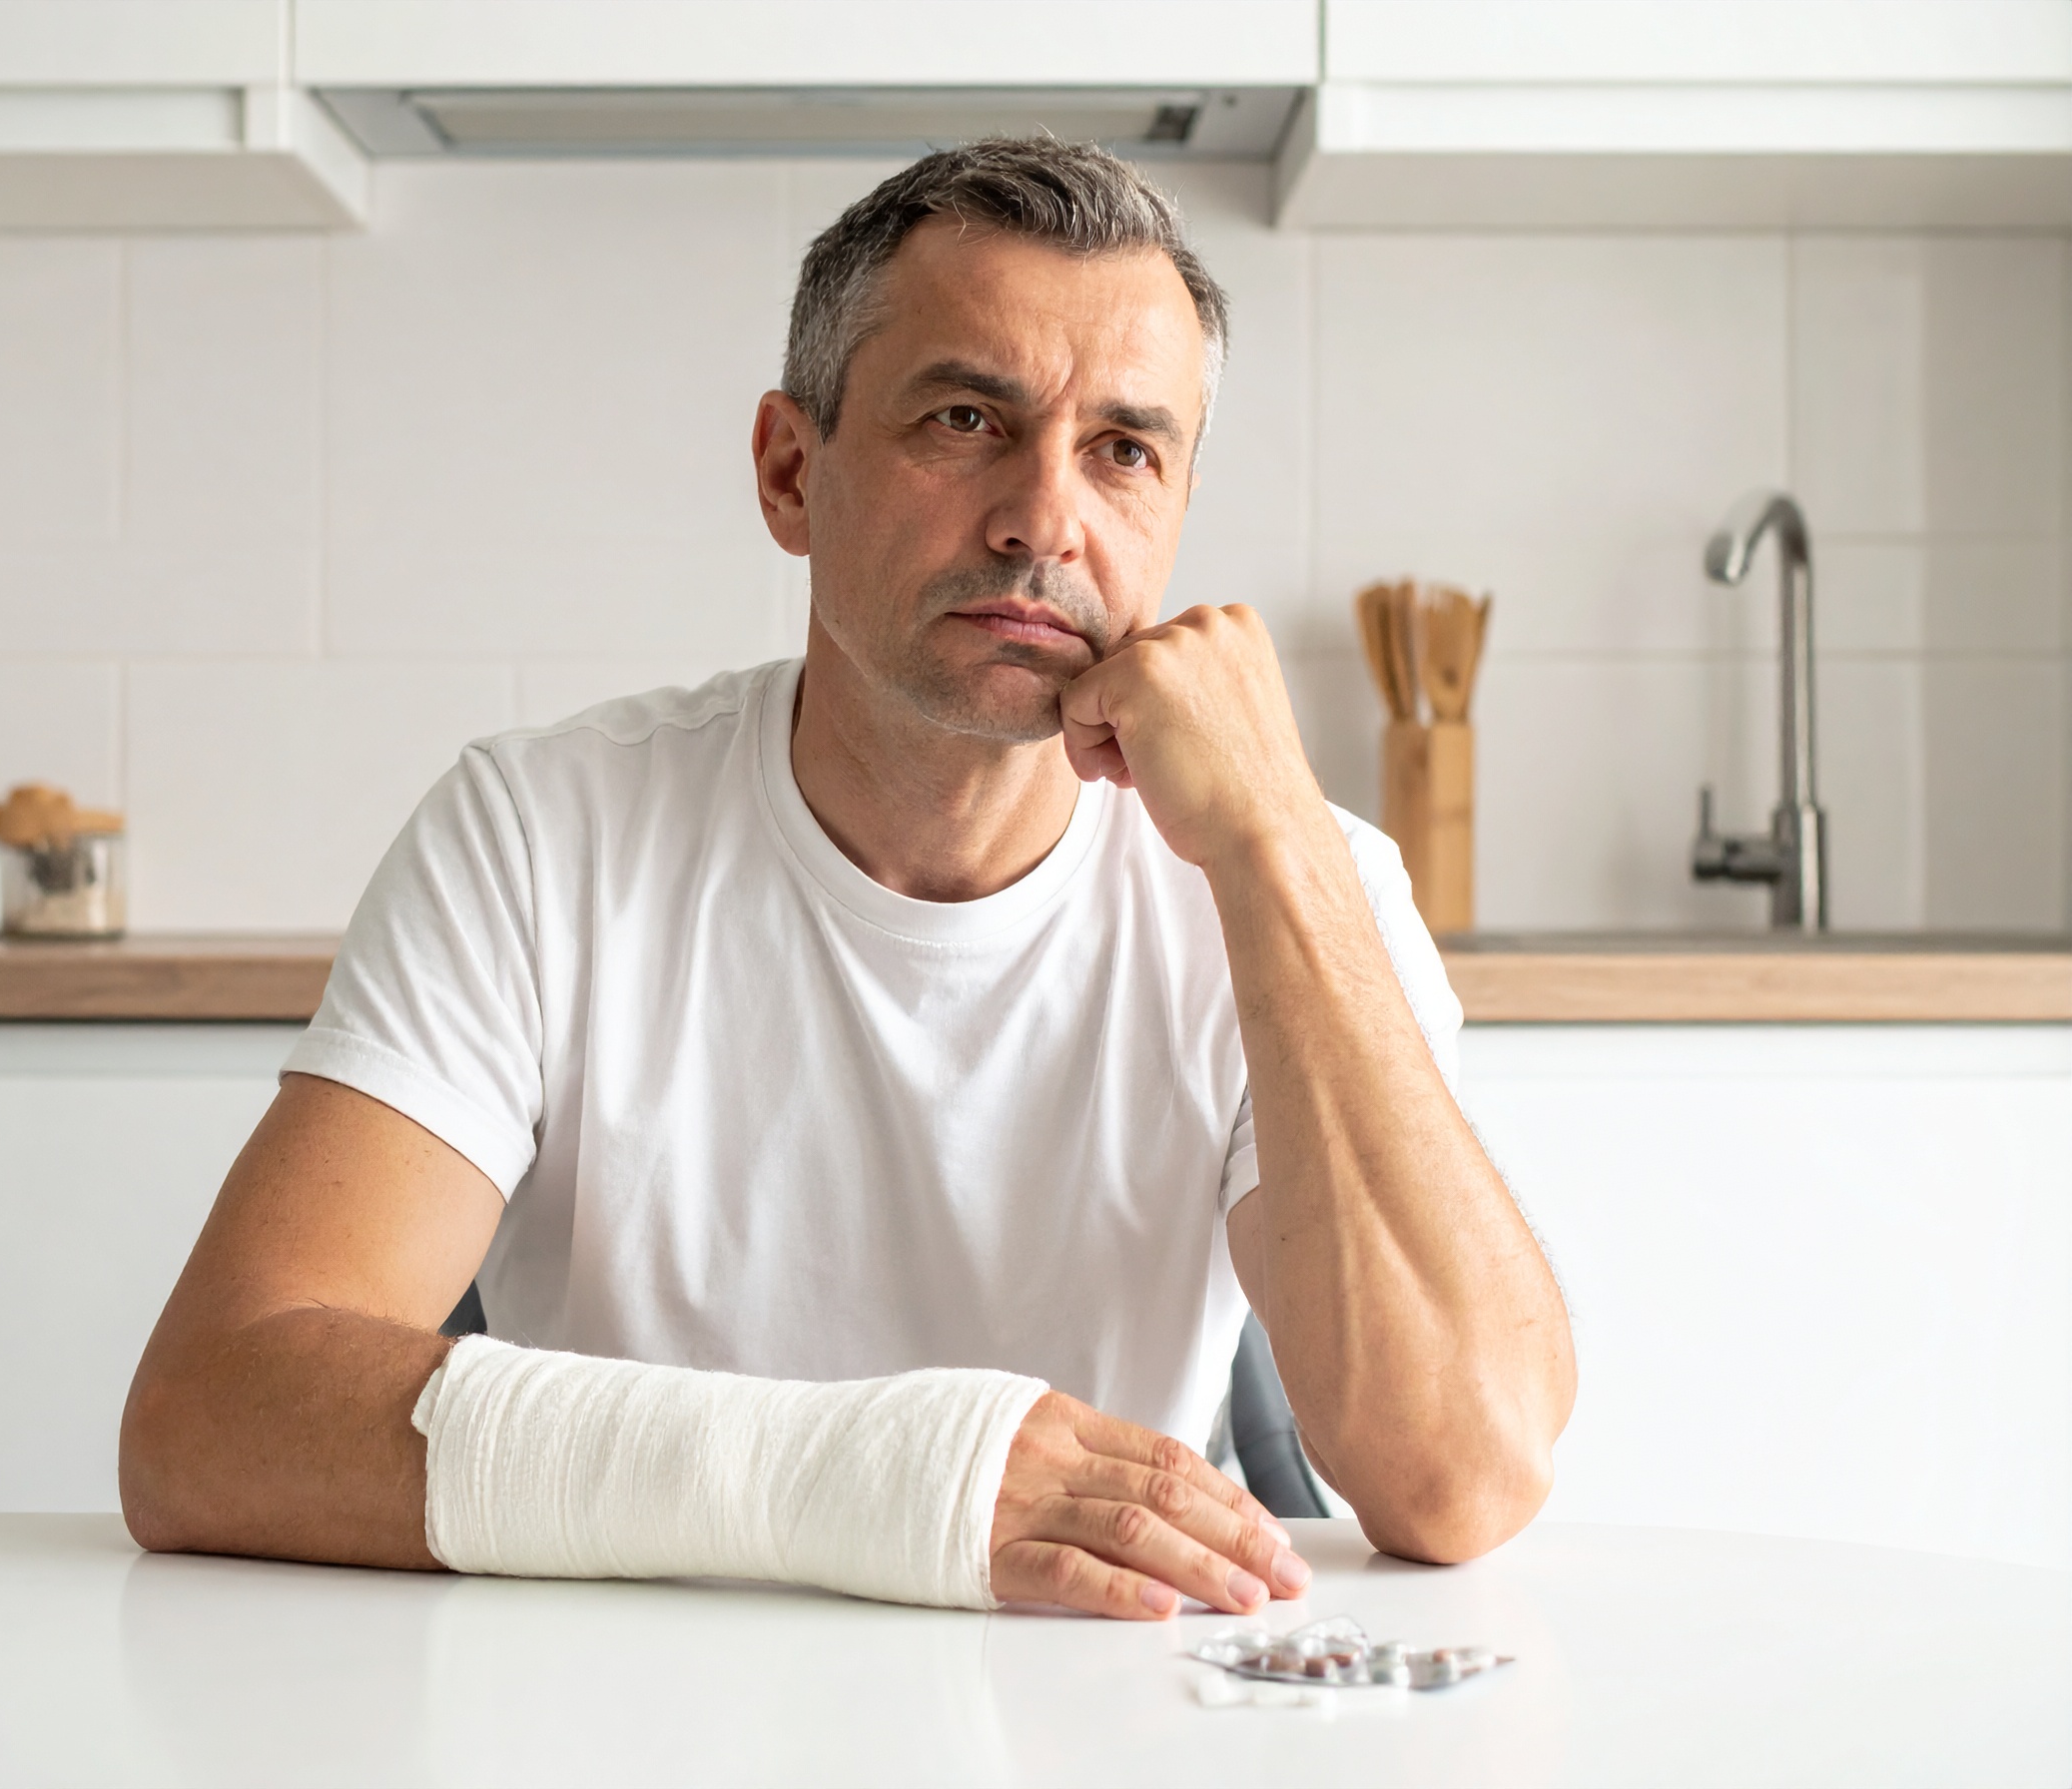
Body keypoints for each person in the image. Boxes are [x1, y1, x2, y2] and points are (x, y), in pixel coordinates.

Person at [121, 139, 1575, 1621]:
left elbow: (1463, 1476)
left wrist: (1276, 846)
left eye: (1124, 451)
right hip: (621, 1694)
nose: (1045, 519)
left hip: (1094, 1695)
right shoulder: (539, 837)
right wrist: (902, 1482)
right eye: (965, 419)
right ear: (790, 472)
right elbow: (208, 1416)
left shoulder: (1303, 881)